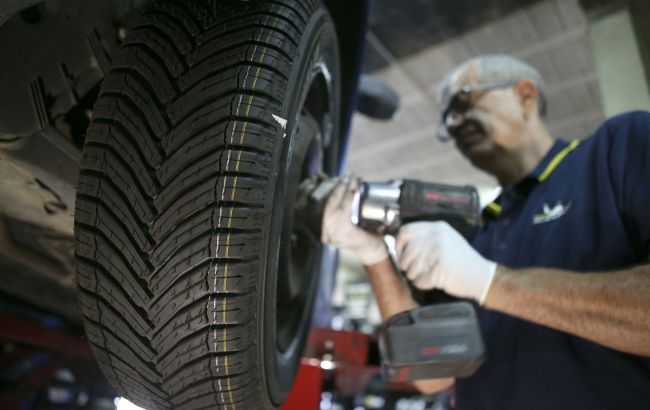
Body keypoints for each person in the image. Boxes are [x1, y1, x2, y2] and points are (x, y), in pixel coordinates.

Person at [321, 55, 650, 409]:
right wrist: (374, 255)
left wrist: (490, 282)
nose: (454, 123)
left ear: (526, 96)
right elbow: (432, 375)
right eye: (448, 119)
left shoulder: (618, 149)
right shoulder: (480, 229)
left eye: (463, 101)